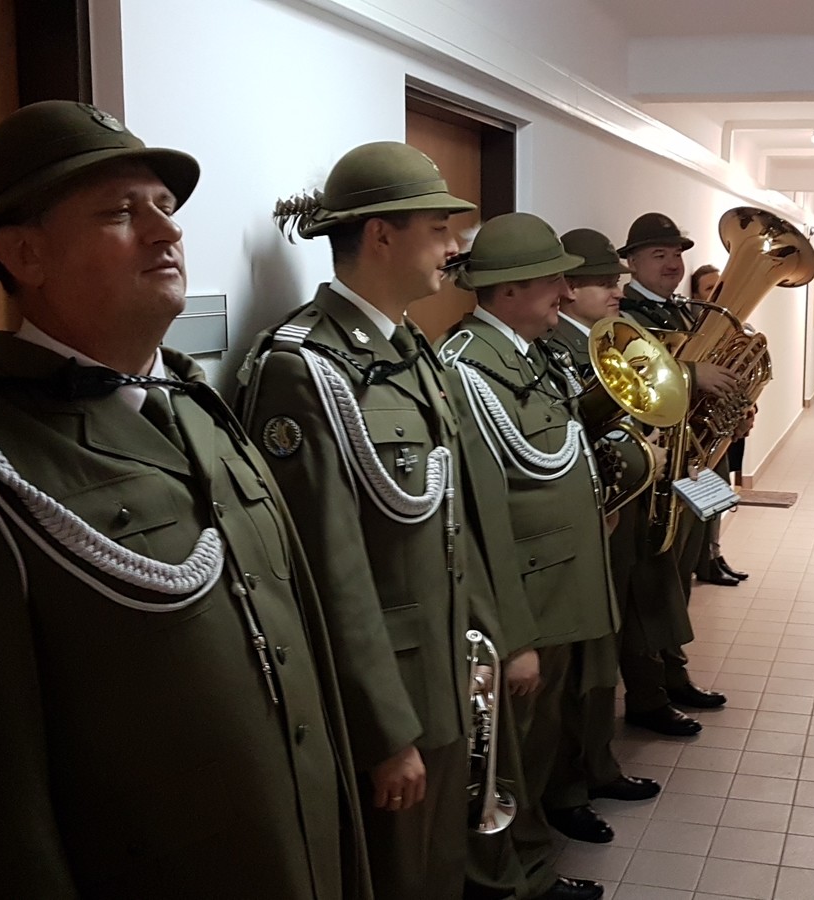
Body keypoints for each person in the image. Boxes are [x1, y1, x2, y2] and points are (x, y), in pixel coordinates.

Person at [0, 100, 368, 898]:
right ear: (26, 254)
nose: (166, 231)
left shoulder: (198, 408)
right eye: (120, 212)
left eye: (166, 207)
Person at [236, 142, 541, 899]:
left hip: (443, 669)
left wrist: (492, 640)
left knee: (439, 863)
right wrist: (385, 730)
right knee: (397, 874)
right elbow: (325, 568)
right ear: (380, 236)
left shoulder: (410, 349)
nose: (455, 247)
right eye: (438, 229)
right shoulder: (304, 368)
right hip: (388, 692)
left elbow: (450, 523)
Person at [437, 214, 641, 899]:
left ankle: (531, 858)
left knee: (537, 737)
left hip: (557, 586)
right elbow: (480, 512)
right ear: (509, 289)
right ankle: (512, 877)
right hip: (522, 597)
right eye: (553, 279)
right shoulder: (466, 367)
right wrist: (513, 635)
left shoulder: (528, 356)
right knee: (504, 751)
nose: (566, 290)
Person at [537, 228, 665, 843]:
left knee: (599, 651)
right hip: (576, 522)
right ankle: (573, 779)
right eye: (603, 282)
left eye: (616, 281)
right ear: (568, 289)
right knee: (580, 659)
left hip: (607, 511)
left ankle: (595, 763)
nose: (617, 291)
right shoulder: (554, 347)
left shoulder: (593, 340)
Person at [613, 213, 732, 736]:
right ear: (632, 263)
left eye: (677, 254)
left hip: (693, 465)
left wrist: (733, 407)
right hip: (652, 470)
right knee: (649, 585)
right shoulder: (623, 315)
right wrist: (689, 373)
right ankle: (647, 694)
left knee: (678, 577)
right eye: (658, 254)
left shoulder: (686, 311)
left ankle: (674, 673)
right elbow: (629, 379)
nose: (672, 263)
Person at [686, 263, 751, 587]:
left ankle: (713, 554)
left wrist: (745, 408)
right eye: (709, 289)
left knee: (720, 489)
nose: (717, 295)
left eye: (719, 287)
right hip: (698, 431)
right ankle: (706, 559)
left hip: (721, 427)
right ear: (696, 296)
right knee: (704, 498)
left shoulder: (735, 329)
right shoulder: (691, 333)